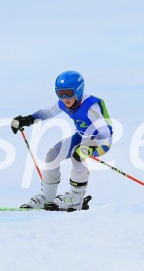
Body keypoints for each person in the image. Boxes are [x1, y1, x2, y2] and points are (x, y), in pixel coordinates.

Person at [11, 71, 113, 210]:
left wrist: (89, 146)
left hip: (101, 141)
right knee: (52, 155)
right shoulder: (65, 103)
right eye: (60, 93)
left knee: (78, 156)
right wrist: (28, 119)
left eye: (68, 93)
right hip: (81, 136)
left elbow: (105, 132)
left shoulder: (90, 106)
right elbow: (47, 112)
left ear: (78, 91)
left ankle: (76, 198)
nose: (64, 98)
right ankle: (47, 197)